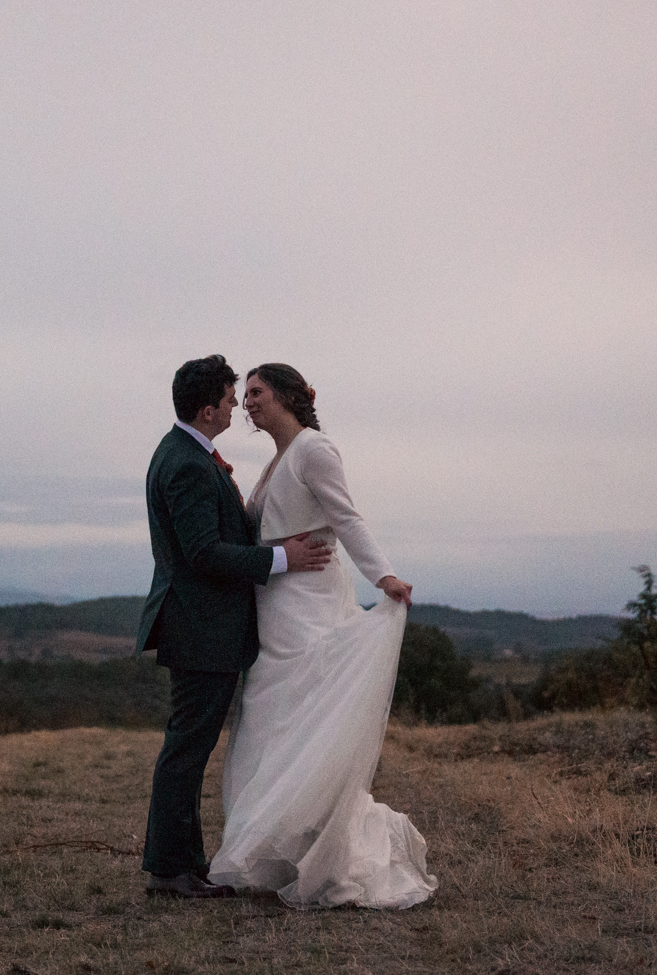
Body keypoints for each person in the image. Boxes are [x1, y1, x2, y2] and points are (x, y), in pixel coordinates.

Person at [207, 363, 438, 908]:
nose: (248, 403)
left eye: (257, 392)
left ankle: (319, 851)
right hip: (275, 604)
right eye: (245, 395)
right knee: (271, 719)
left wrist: (382, 576)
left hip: (309, 603)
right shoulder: (277, 459)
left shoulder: (315, 449)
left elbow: (347, 518)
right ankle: (275, 850)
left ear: (289, 395)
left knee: (305, 718)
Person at [136, 355, 331, 899]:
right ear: (206, 410)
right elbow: (203, 553)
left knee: (189, 749)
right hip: (201, 629)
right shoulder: (187, 464)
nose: (235, 408)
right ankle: (169, 871)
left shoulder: (184, 453)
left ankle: (183, 863)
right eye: (228, 400)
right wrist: (283, 559)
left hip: (201, 627)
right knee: (186, 752)